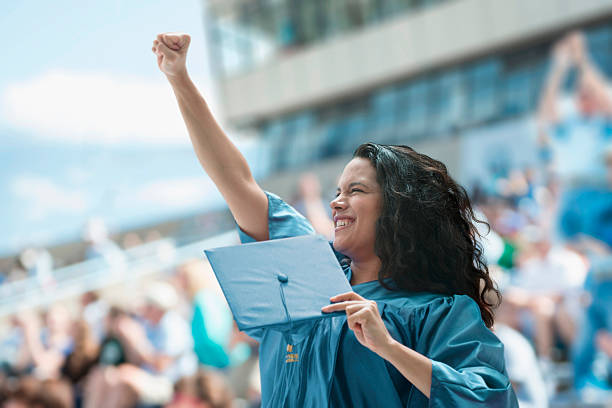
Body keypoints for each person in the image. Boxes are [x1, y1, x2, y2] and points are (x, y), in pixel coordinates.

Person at [153, 32, 518, 406]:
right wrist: (180, 79)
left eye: (356, 191)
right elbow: (235, 180)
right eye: (337, 192)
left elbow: (488, 399)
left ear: (398, 208)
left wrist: (389, 347)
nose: (337, 203)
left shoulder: (438, 312)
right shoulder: (304, 275)